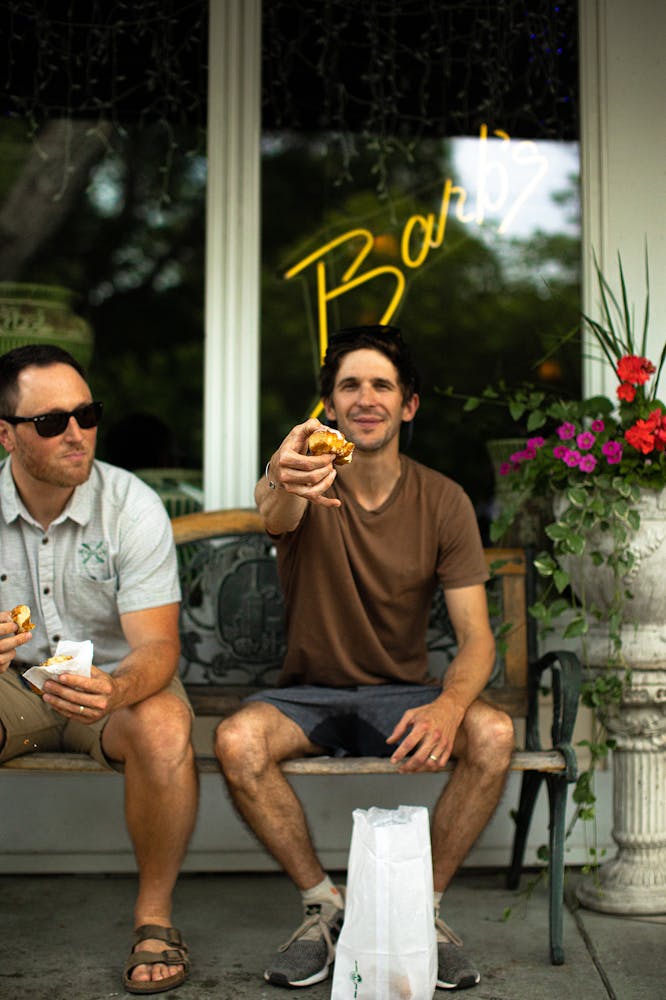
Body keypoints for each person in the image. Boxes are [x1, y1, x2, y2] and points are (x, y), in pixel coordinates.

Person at [215, 325, 515, 991]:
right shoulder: (306, 481)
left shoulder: (444, 500)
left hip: (400, 693)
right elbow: (276, 507)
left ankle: (418, 912)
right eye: (349, 384)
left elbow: (477, 637)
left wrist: (448, 704)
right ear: (329, 406)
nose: (366, 397)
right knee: (237, 741)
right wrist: (280, 470)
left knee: (492, 733)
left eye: (382, 384)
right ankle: (325, 907)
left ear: (408, 405)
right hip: (308, 697)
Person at [0, 344, 198, 996]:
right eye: (52, 422)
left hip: (110, 680)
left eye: (87, 414)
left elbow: (158, 646)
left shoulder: (130, 504)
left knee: (165, 726)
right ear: (7, 434)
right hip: (12, 684)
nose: (77, 433)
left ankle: (154, 921)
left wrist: (115, 688)